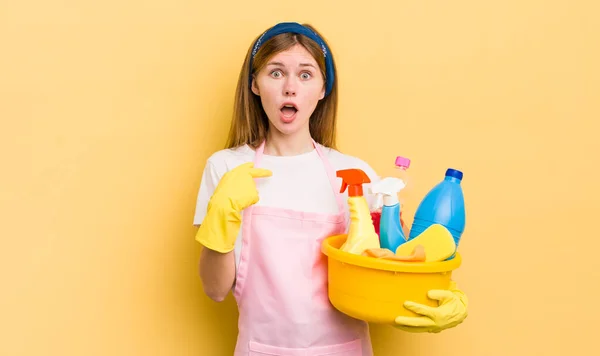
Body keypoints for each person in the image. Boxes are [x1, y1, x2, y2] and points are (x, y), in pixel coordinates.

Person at [193, 22, 468, 355]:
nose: (290, 88)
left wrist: (440, 293)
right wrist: (221, 217)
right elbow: (215, 289)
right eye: (276, 73)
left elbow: (397, 266)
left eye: (306, 75)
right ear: (254, 84)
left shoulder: (354, 173)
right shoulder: (226, 168)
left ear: (323, 89)